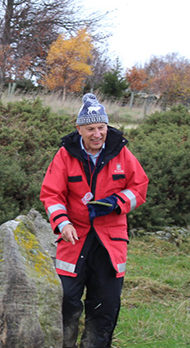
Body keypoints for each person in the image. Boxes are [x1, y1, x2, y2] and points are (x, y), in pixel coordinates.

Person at [40, 93, 149, 348]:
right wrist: (62, 222)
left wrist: (115, 203)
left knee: (106, 304)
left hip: (111, 240)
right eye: (90, 129)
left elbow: (140, 187)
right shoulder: (65, 155)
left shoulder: (122, 153)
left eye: (101, 127)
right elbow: (51, 193)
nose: (97, 134)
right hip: (73, 237)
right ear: (79, 129)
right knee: (66, 299)